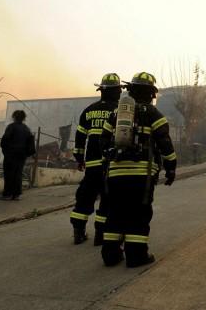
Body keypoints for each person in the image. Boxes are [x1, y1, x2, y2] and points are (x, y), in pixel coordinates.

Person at [100, 72, 176, 268]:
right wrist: (171, 169)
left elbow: (103, 139)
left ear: (131, 91)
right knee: (138, 214)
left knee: (114, 212)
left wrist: (107, 164)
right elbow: (165, 144)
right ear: (152, 94)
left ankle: (110, 255)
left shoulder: (117, 114)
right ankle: (136, 256)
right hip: (141, 175)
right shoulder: (154, 114)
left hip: (116, 173)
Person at [69, 73, 122, 246]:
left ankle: (78, 232)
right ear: (117, 91)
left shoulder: (89, 110)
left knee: (85, 196)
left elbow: (80, 136)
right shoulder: (120, 112)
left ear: (101, 91)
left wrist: (79, 157)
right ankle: (101, 234)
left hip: (92, 164)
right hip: (111, 164)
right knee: (108, 198)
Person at [0, 110, 35, 200]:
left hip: (10, 155)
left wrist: (6, 152)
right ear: (24, 118)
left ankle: (8, 194)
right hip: (21, 156)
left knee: (9, 174)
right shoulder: (26, 129)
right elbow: (31, 143)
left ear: (14, 117)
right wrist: (26, 154)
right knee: (18, 174)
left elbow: (4, 141)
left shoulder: (11, 127)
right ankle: (16, 194)